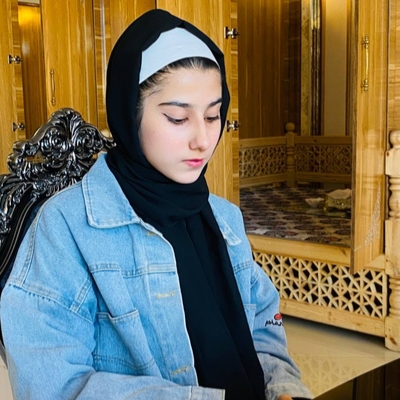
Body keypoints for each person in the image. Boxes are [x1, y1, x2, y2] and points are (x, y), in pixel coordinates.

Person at [0, 9, 313, 400]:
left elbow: (263, 326)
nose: (203, 140)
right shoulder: (65, 228)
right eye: (178, 118)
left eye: (213, 115)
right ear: (129, 112)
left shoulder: (224, 218)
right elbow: (53, 387)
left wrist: (284, 389)